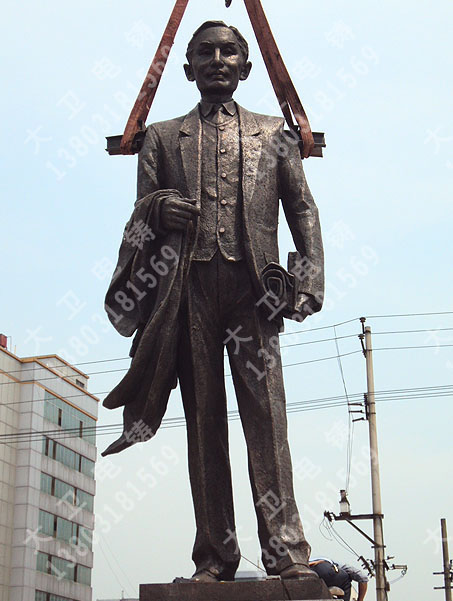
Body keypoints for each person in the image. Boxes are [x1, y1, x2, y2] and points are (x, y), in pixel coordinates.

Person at [102, 21, 324, 583]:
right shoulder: (160, 138)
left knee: (267, 423)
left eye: (229, 52)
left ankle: (287, 552)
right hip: (188, 293)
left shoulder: (274, 134)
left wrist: (306, 282)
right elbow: (137, 223)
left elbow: (302, 210)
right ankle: (214, 557)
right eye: (205, 52)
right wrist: (157, 210)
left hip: (256, 295)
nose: (217, 60)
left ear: (246, 68)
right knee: (204, 427)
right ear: (188, 69)